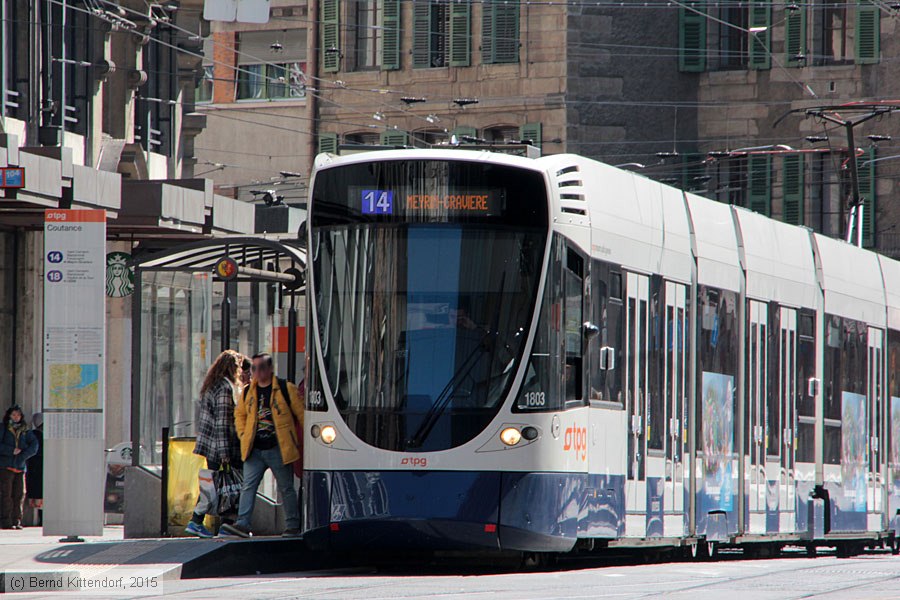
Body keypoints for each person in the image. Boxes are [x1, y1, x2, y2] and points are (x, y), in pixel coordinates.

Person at [220, 353, 303, 538]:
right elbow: (239, 415)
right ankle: (243, 523)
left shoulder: (285, 388)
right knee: (248, 486)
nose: (257, 372)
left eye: (261, 367)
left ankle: (292, 525)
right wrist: (242, 435)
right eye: (254, 368)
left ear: (270, 369)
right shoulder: (249, 392)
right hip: (254, 449)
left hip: (278, 448)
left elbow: (301, 414)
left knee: (286, 487)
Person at [186, 349, 244, 538]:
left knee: (213, 485)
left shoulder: (211, 385)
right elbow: (222, 423)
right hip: (220, 447)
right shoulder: (225, 388)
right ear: (232, 368)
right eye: (238, 368)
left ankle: (201, 521)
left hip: (210, 446)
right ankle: (216, 523)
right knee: (227, 485)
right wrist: (225, 452)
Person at [0, 406, 38, 530]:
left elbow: (34, 446)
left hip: (20, 466)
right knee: (6, 494)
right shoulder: (3, 428)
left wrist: (23, 455)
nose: (16, 417)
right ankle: (6, 521)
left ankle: (17, 520)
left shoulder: (26, 430)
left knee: (19, 494)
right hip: (6, 466)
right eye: (13, 415)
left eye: (18, 415)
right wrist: (11, 451)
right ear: (9, 416)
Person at [25, 413, 43, 526]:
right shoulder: (37, 435)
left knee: (38, 493)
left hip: (34, 467)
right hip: (38, 467)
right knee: (40, 493)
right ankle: (41, 518)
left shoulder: (31, 434)